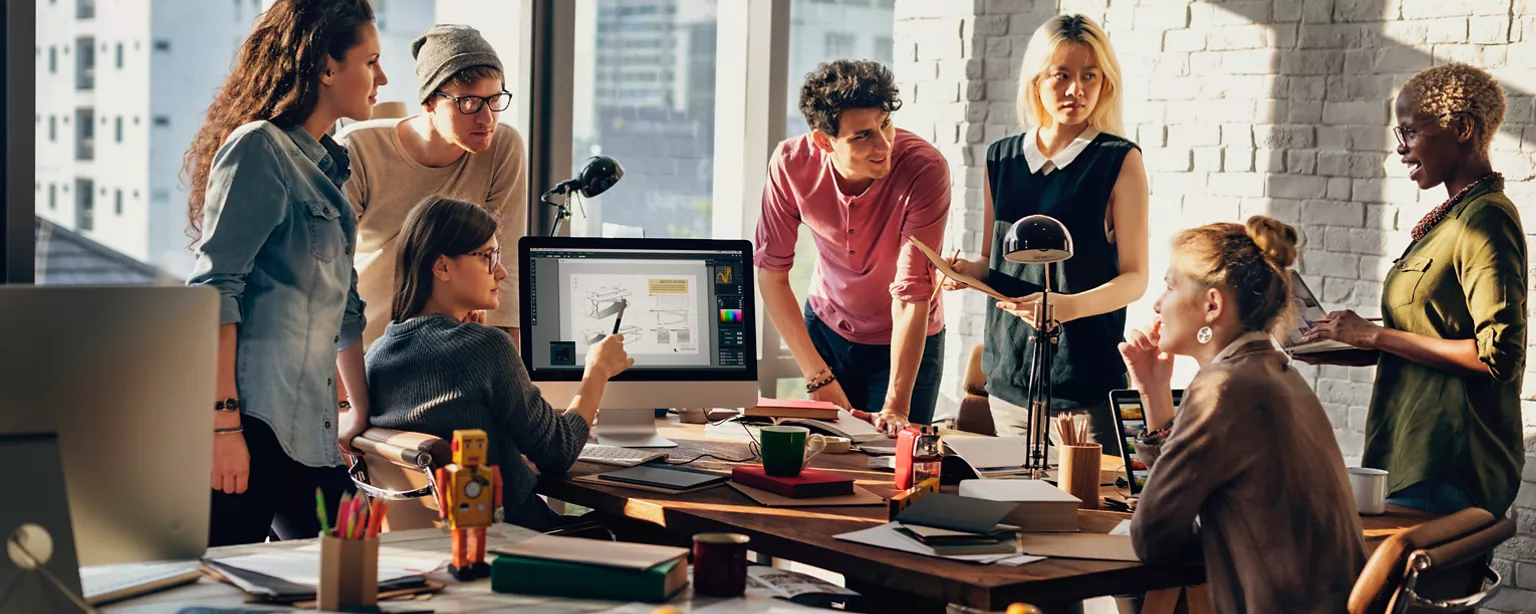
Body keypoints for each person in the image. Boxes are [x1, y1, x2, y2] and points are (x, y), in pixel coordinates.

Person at [183, 0, 387, 546]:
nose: (381, 78)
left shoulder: (331, 168)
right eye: (370, 61)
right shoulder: (259, 149)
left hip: (314, 435)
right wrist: (222, 426)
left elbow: (346, 312)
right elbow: (214, 290)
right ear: (325, 67)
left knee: (359, 567)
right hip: (251, 427)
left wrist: (359, 411)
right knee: (225, 594)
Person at [1299, 62, 1526, 515]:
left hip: (1447, 462)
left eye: (1409, 133)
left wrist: (1375, 336)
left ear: (1461, 127)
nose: (1400, 150)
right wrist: (1347, 343)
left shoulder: (1486, 219)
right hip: (1410, 454)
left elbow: (1497, 354)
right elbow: (1435, 333)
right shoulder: (1452, 219)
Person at [1120, 217, 1364, 613]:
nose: (1157, 304)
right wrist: (1153, 391)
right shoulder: (1276, 372)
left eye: (1169, 286)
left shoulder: (1224, 389)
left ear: (1212, 305)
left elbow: (1151, 536)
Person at [366, 196, 633, 531]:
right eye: (488, 257)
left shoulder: (377, 353)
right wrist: (597, 372)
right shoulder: (486, 347)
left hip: (441, 551)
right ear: (442, 266)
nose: (502, 272)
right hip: (522, 545)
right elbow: (558, 452)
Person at [943, 14, 1148, 446]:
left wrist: (1066, 307)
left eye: (1090, 76)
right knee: (1016, 507)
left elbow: (1135, 279)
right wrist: (964, 271)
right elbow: (993, 262)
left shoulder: (1119, 160)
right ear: (1037, 81)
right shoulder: (1000, 158)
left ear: (1104, 82)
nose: (1077, 89)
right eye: (1062, 75)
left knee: (1084, 510)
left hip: (1084, 383)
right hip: (1008, 380)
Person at [754, 59, 950, 431]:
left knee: (898, 464)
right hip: (827, 328)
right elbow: (772, 276)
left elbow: (911, 294)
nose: (883, 144)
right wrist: (817, 377)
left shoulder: (926, 169)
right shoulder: (790, 164)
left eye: (885, 124)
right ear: (824, 141)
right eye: (862, 135)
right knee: (824, 460)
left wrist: (895, 406)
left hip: (906, 341)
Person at [337, 24, 527, 350]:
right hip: (367, 346)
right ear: (428, 102)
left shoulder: (503, 146)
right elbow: (333, 273)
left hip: (451, 351)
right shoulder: (358, 149)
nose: (486, 119)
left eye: (494, 100)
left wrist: (512, 373)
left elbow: (504, 264)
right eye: (468, 103)